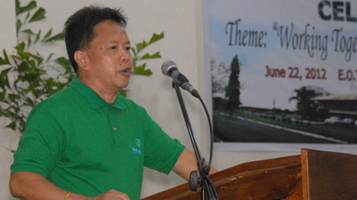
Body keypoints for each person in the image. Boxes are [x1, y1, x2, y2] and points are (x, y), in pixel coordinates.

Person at [9, 5, 216, 200]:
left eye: (127, 48)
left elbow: (184, 162)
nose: (126, 57)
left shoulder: (134, 114)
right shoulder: (54, 112)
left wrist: (236, 182)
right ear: (82, 59)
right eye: (114, 48)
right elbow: (21, 181)